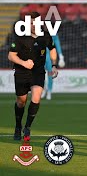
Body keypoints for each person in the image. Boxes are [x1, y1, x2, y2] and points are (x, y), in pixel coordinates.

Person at [8, 11, 58, 141]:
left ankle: (27, 127)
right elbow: (11, 55)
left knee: (36, 96)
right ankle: (18, 126)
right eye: (30, 22)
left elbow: (52, 49)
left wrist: (53, 65)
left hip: (38, 72)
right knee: (21, 101)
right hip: (21, 72)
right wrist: (23, 63)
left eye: (34, 22)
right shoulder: (20, 36)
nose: (32, 24)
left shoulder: (45, 36)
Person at [41, 35, 65, 100]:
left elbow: (57, 44)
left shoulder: (53, 33)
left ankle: (49, 91)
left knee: (50, 74)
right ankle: (43, 89)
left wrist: (61, 56)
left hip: (50, 56)